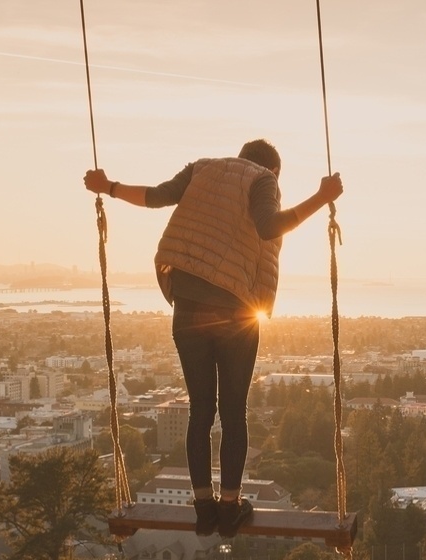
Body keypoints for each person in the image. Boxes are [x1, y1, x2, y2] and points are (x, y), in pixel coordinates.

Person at [84, 139, 343, 537]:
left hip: (187, 305)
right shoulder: (262, 180)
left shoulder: (202, 168)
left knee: (200, 411)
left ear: (240, 156)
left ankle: (204, 508)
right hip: (236, 311)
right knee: (233, 411)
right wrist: (321, 197)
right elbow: (269, 226)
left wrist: (109, 186)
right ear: (273, 171)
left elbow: (155, 197)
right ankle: (230, 506)